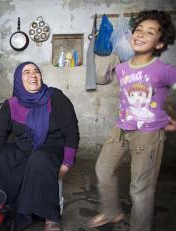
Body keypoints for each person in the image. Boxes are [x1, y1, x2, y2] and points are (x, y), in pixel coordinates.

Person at [87, 10, 176, 231]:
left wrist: (167, 116)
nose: (141, 34)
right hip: (120, 128)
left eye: (150, 32)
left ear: (160, 43)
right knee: (103, 169)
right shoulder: (122, 68)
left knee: (140, 188)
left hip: (147, 135)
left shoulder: (164, 70)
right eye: (138, 30)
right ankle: (111, 212)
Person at [0, 61, 80, 230]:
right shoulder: (10, 105)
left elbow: (72, 132)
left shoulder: (56, 98)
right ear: (18, 79)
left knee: (39, 159)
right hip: (24, 147)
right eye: (26, 72)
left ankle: (50, 216)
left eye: (36, 71)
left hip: (52, 147)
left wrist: (67, 163)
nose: (33, 75)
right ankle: (9, 210)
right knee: (0, 160)